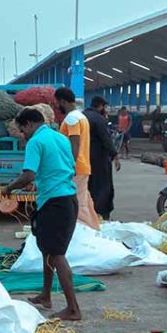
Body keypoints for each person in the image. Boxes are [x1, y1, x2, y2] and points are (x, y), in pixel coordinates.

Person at [2, 108, 82, 321]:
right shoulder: (60, 138)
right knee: (47, 249)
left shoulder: (35, 143)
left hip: (54, 203)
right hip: (68, 199)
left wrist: (10, 188)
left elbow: (28, 174)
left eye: (22, 130)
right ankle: (46, 295)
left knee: (57, 254)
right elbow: (64, 168)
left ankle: (73, 308)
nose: (23, 135)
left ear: (28, 124)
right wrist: (40, 183)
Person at [54, 87, 101, 230]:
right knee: (85, 200)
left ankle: (82, 231)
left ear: (62, 101)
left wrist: (70, 165)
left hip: (76, 167)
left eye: (57, 103)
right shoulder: (81, 116)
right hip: (83, 165)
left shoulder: (72, 119)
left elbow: (75, 143)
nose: (56, 106)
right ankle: (94, 227)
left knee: (78, 203)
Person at [83, 96, 120, 221]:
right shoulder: (99, 119)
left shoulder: (82, 116)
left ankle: (87, 214)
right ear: (100, 106)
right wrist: (115, 155)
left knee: (87, 186)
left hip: (84, 159)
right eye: (104, 107)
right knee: (103, 187)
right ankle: (101, 214)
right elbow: (106, 139)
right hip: (100, 159)